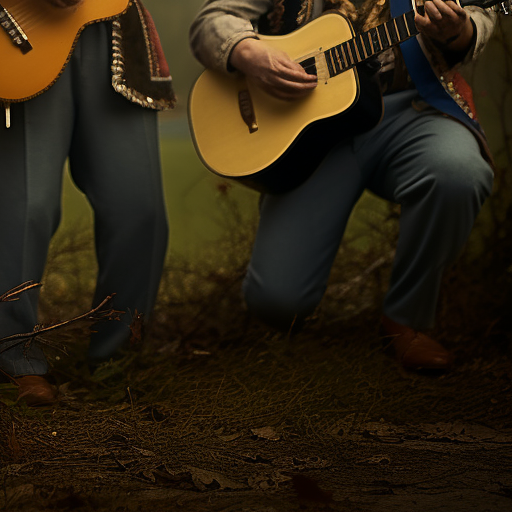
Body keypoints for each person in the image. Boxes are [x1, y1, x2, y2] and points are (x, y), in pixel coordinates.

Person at [189, 0, 497, 371]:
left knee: (459, 172)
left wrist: (457, 31)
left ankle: (405, 319)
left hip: (412, 112)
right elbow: (211, 20)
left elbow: (478, 15)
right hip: (311, 130)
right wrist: (248, 51)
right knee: (277, 305)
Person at [0, 0, 175, 405]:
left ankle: (116, 356)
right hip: (21, 26)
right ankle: (14, 361)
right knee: (26, 209)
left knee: (139, 210)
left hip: (115, 32)